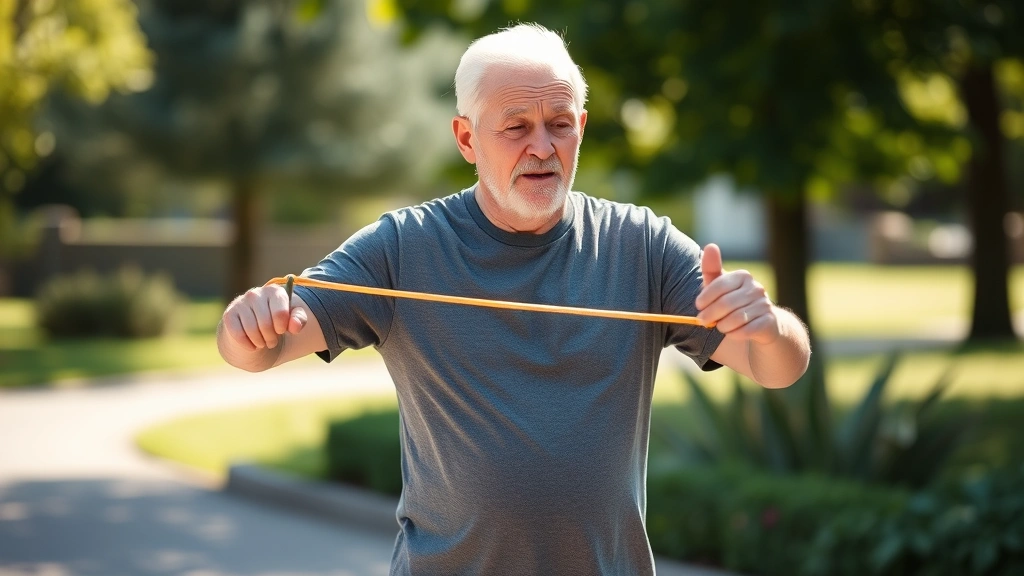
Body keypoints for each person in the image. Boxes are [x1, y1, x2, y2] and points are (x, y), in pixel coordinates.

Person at [217, 23, 811, 576]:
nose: (542, 146)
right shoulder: (404, 247)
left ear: (581, 126)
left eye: (559, 123)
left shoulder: (641, 244)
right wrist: (248, 327)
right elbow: (259, 352)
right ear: (467, 139)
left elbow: (780, 368)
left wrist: (770, 329)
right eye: (516, 126)